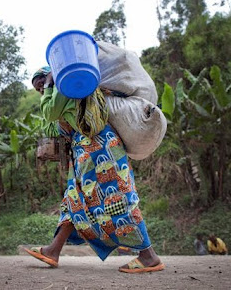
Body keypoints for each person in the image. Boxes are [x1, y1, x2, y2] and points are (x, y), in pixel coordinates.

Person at [25, 67, 164, 273]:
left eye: (42, 85)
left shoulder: (64, 87)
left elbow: (49, 112)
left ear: (51, 77)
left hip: (100, 148)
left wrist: (49, 87)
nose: (42, 91)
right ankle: (52, 251)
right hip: (85, 150)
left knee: (117, 198)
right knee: (74, 199)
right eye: (38, 90)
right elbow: (52, 127)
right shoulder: (65, 96)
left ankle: (149, 256)